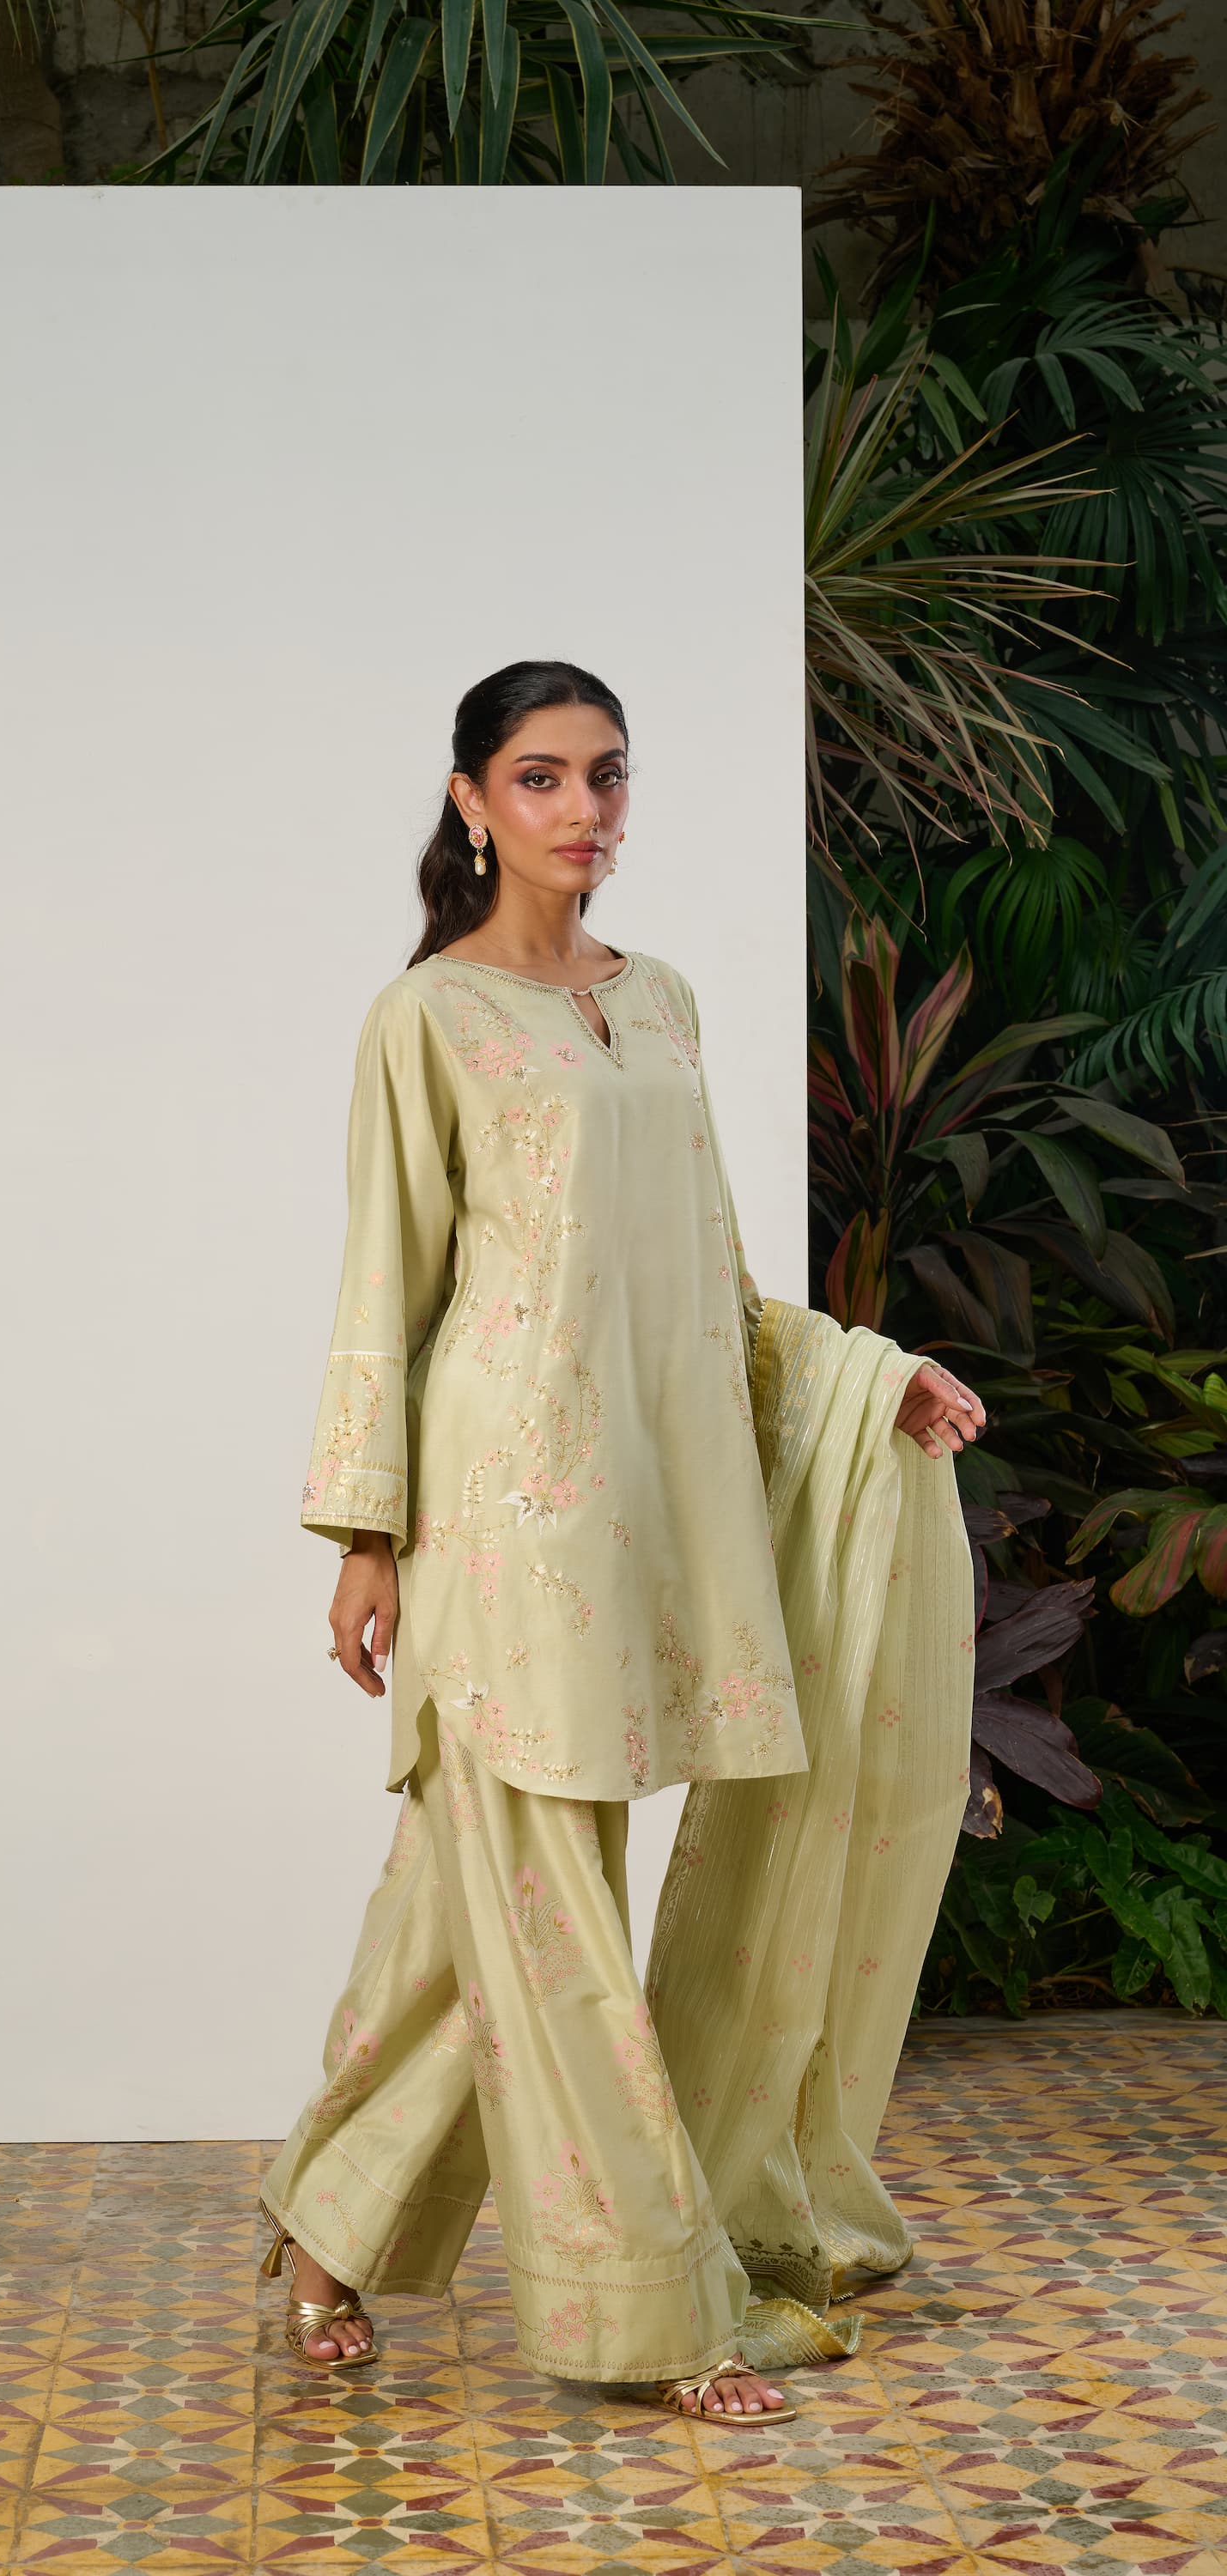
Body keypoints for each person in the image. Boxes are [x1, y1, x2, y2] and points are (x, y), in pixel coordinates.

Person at [258, 661, 983, 2422]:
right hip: (501, 1507)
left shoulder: (656, 1004)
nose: (581, 810)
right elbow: (387, 1276)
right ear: (470, 801)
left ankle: (323, 2219)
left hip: (654, 1504)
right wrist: (366, 1534)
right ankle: (647, 2306)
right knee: (548, 1906)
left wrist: (863, 1377)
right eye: (540, 777)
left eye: (606, 776)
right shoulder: (426, 1016)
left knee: (476, 1908)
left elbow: (705, 1272)